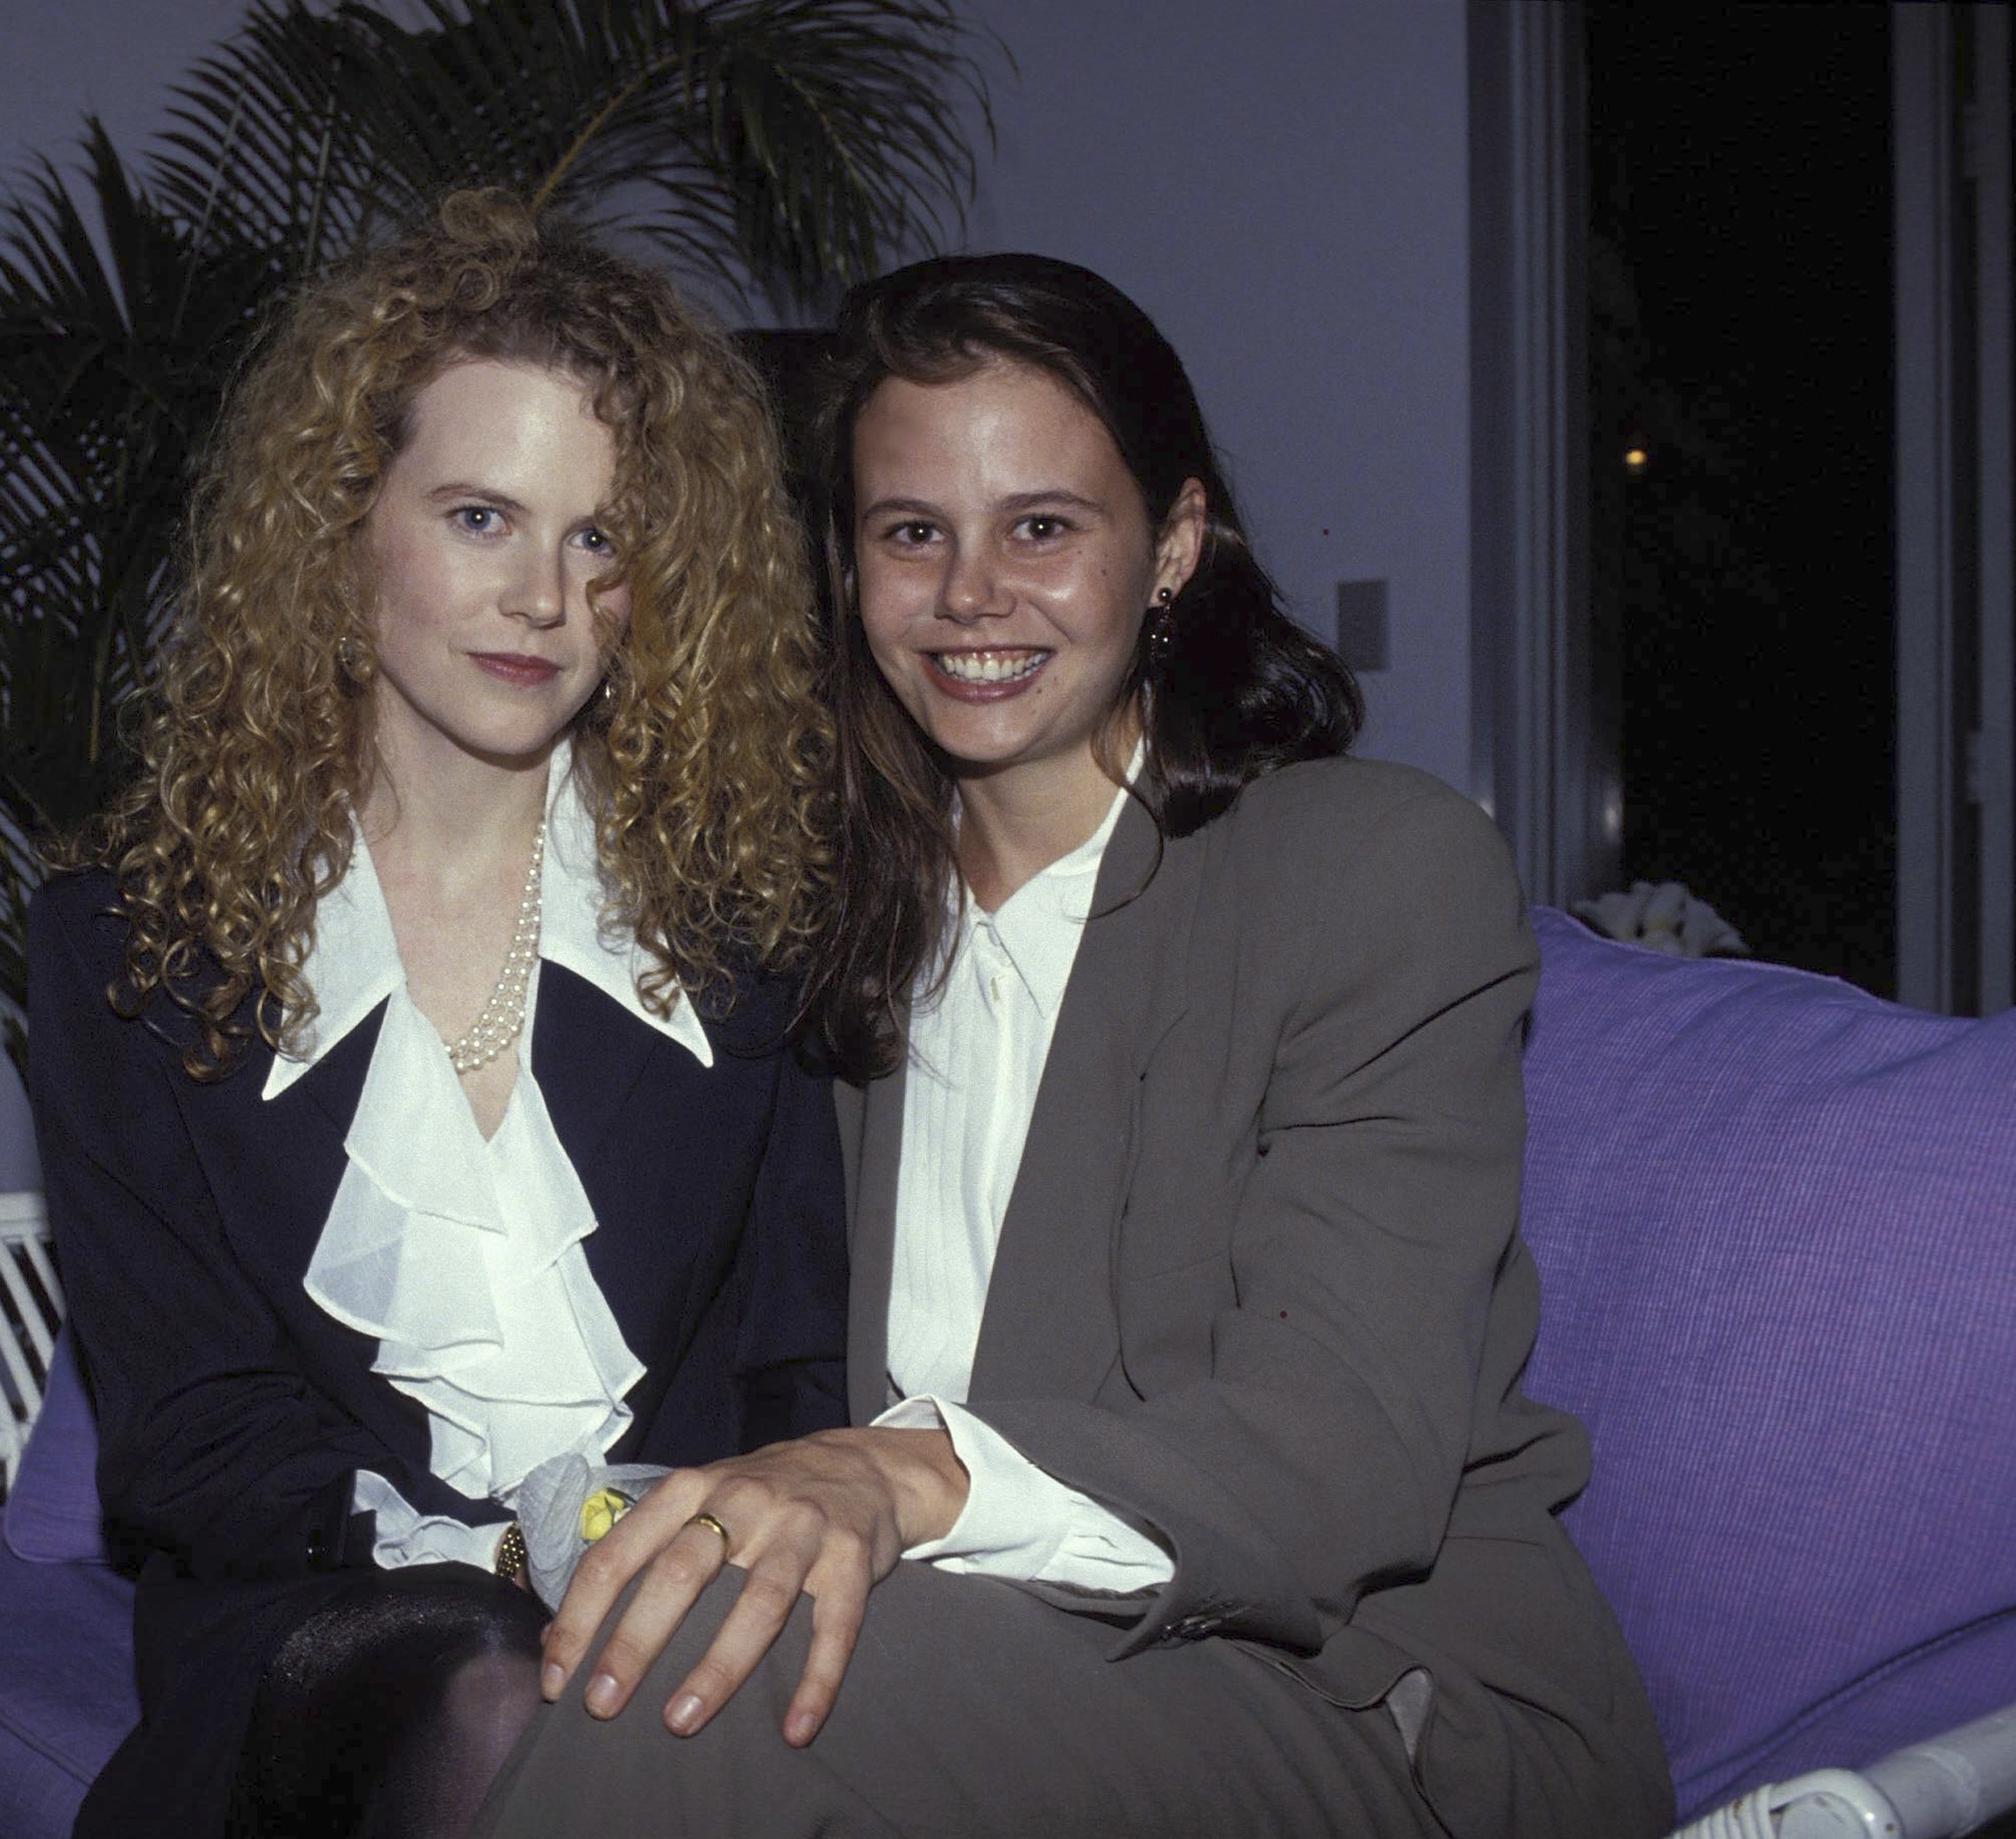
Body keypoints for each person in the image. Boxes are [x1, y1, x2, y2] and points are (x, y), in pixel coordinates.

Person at [474, 254, 1676, 1837]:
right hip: (990, 1649)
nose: (973, 593)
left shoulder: (1371, 870)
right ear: (851, 565)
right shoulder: (841, 922)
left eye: (1043, 526)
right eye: (915, 533)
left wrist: (893, 1476)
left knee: (688, 1708)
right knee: (556, 1662)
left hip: (1367, 1693)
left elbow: (1339, 1458)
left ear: (1171, 545)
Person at [25, 194, 848, 1839]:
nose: (544, 596)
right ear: (344, 537)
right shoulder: (127, 940)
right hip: (314, 1619)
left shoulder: (745, 927)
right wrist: (508, 1553)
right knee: (492, 1686)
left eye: (599, 536)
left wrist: (700, 1541)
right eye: (482, 516)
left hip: (685, 1582)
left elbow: (797, 1359)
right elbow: (187, 1437)